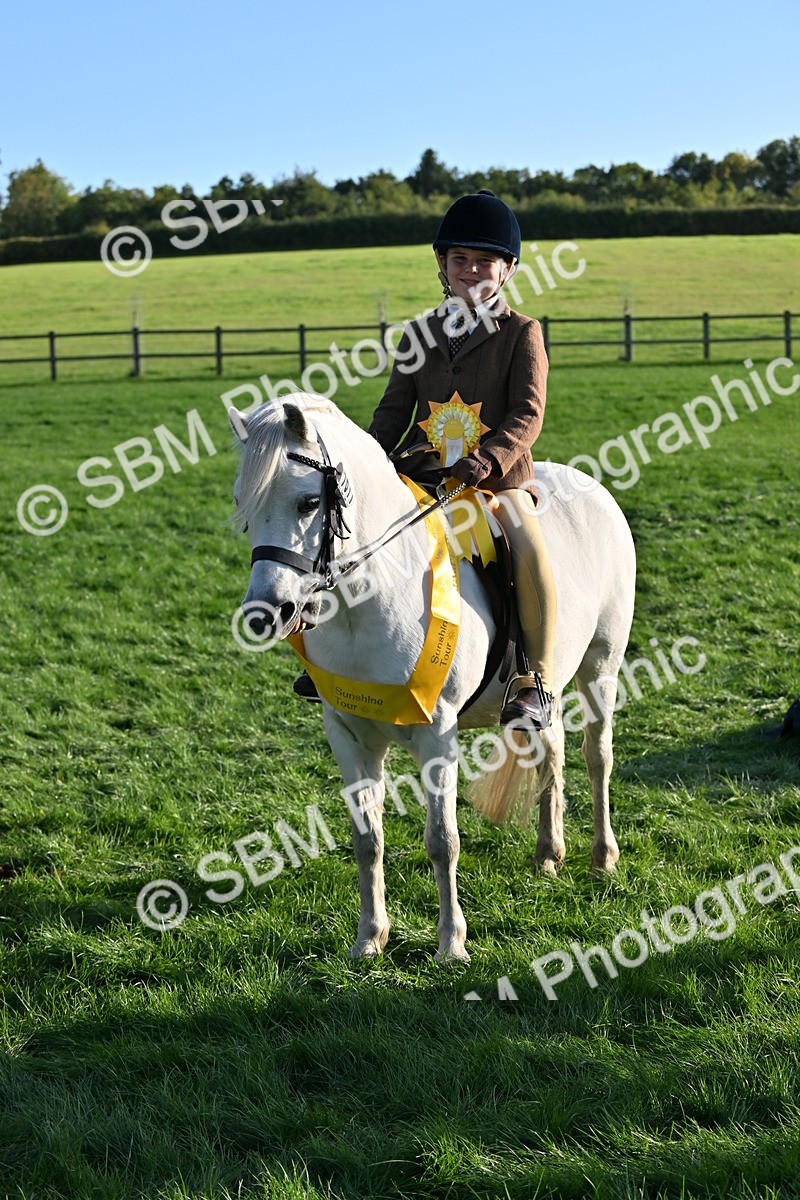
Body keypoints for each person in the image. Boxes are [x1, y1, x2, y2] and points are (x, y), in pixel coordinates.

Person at [294, 189, 557, 730]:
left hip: (497, 481)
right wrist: (364, 462)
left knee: (527, 548)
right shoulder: (419, 334)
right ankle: (333, 656)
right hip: (424, 477)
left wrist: (487, 460)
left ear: (507, 269)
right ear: (443, 263)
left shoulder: (522, 333)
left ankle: (535, 678)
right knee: (353, 537)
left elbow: (529, 413)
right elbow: (392, 412)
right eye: (460, 259)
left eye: (484, 261)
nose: (471, 270)